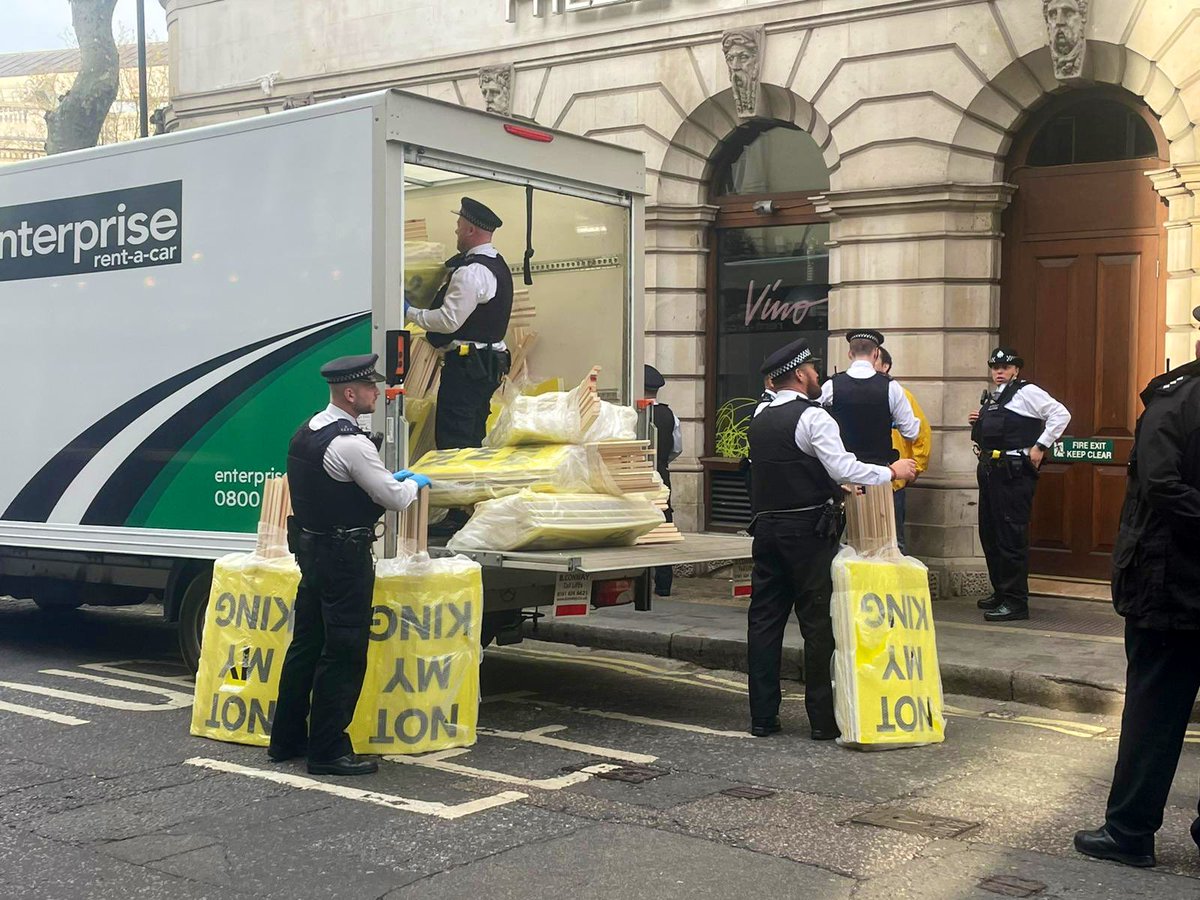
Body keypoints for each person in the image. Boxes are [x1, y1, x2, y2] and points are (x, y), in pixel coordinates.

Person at [1074, 319, 1200, 870]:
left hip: (1169, 589)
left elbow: (1162, 487)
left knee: (1153, 713)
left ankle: (1129, 831)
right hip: (1173, 586)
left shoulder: (1175, 402)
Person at [747, 338, 917, 740]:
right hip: (808, 533)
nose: (819, 377)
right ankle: (822, 721)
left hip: (766, 529)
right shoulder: (813, 418)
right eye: (814, 372)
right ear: (802, 375)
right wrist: (892, 471)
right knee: (817, 625)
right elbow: (843, 468)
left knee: (765, 622)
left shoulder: (759, 415)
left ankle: (762, 718)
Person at [269, 353, 428, 776]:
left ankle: (285, 740)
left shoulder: (308, 431)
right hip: (345, 558)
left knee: (306, 645)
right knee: (342, 652)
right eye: (371, 388)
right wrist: (411, 482)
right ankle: (327, 751)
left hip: (313, 553)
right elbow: (392, 498)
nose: (377, 392)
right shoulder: (351, 443)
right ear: (351, 393)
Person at [968, 348, 1070, 622]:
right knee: (990, 535)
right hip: (991, 471)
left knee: (1011, 536)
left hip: (1013, 473)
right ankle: (1001, 591)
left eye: (1005, 367)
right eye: (995, 367)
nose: (999, 371)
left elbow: (1061, 414)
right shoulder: (993, 398)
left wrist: (1040, 446)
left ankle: (1015, 602)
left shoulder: (1027, 392)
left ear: (1016, 370)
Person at [405, 197, 513, 450]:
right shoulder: (496, 264)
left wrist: (411, 313)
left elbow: (448, 320)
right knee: (472, 432)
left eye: (458, 224)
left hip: (467, 368)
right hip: (483, 366)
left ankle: (458, 487)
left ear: (470, 230)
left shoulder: (471, 272)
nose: (456, 229)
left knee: (455, 438)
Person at [820, 329, 921, 469]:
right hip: (879, 475)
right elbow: (911, 433)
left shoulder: (830, 386)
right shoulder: (891, 387)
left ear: (850, 354)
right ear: (876, 353)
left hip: (842, 474)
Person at [876, 347, 932, 553]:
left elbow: (921, 433)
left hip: (894, 481)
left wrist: (917, 466)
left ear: (885, 366)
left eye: (874, 360)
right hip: (860, 478)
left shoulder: (901, 395)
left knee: (894, 542)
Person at [645, 364, 682, 597]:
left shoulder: (630, 412)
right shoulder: (670, 415)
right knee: (663, 527)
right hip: (661, 475)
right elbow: (677, 448)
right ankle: (663, 584)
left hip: (634, 476)